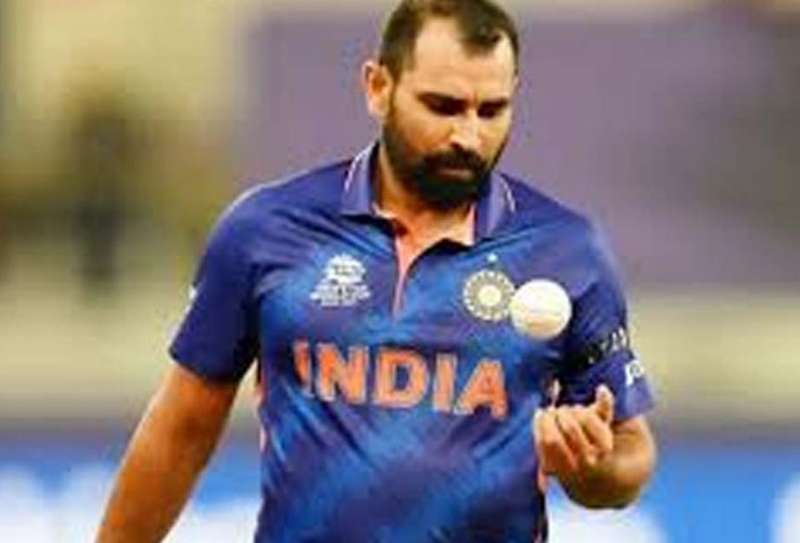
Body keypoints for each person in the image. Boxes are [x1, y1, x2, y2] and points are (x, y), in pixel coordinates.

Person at [97, 0, 656, 541]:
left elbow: (630, 455)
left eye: (491, 111)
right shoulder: (265, 229)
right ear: (378, 87)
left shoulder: (565, 251)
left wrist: (590, 466)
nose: (468, 136)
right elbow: (181, 430)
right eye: (442, 106)